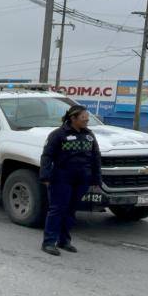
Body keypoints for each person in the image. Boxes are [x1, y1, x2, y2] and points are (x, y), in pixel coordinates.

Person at [39, 104, 101, 256]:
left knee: (71, 210)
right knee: (57, 209)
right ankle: (48, 242)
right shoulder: (58, 134)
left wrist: (96, 179)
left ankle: (64, 241)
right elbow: (47, 156)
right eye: (83, 117)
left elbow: (96, 157)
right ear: (73, 118)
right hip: (62, 177)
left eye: (87, 117)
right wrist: (45, 176)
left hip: (82, 179)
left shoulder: (89, 135)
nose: (86, 120)